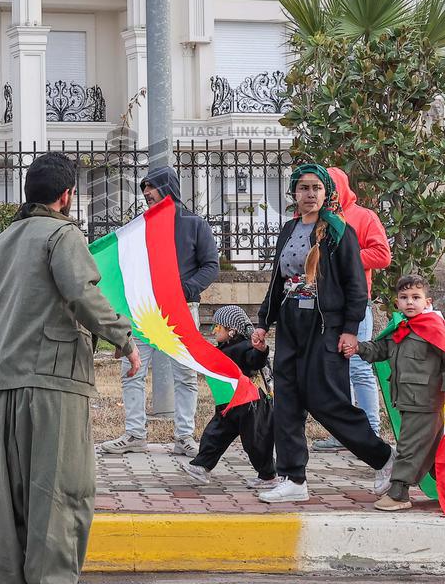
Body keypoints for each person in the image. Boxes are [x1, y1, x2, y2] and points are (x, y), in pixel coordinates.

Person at [0, 153, 141, 584]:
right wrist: (123, 337)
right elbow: (82, 293)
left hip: (5, 385)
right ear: (67, 195)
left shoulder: (2, 242)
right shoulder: (62, 235)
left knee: (15, 502)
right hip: (53, 382)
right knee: (61, 495)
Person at [251, 163, 395, 505]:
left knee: (326, 402)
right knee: (287, 402)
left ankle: (383, 458)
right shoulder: (288, 230)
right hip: (290, 325)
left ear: (326, 193)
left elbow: (355, 286)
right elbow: (277, 282)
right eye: (303, 188)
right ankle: (293, 478)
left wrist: (349, 330)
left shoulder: (338, 232)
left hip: (324, 327)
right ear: (294, 194)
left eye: (316, 188)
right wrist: (262, 323)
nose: (310, 194)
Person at [100, 165, 219, 458]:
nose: (146, 195)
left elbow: (211, 266)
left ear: (168, 186)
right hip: (144, 311)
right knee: (132, 369)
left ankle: (184, 437)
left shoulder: (194, 224)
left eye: (150, 188)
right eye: (143, 190)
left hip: (182, 309)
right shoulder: (140, 225)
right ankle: (134, 434)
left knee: (185, 375)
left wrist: (182, 290)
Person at [344, 274, 445, 512]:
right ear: (396, 302)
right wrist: (358, 348)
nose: (409, 302)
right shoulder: (401, 327)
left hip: (426, 402)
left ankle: (399, 493)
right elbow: (380, 348)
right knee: (432, 450)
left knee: (409, 448)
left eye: (416, 297)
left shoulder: (433, 329)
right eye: (404, 297)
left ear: (428, 302)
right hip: (406, 400)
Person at [312, 167, 391, 448]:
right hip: (324, 307)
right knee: (335, 369)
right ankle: (343, 433)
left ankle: (369, 432)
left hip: (355, 304)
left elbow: (382, 255)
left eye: (329, 186)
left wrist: (346, 256)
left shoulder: (363, 216)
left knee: (358, 367)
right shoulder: (317, 219)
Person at [180, 305, 277, 488]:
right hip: (229, 406)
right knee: (213, 435)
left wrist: (261, 350)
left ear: (232, 330)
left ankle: (268, 476)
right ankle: (201, 467)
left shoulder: (245, 347)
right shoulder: (223, 349)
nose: (214, 330)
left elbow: (255, 361)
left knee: (255, 443)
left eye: (217, 327)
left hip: (249, 406)